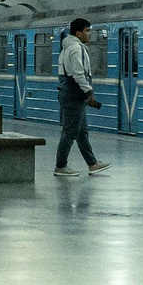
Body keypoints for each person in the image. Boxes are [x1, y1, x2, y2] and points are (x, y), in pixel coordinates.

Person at [55, 16, 108, 177]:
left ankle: (92, 163)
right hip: (74, 94)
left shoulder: (69, 47)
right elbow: (79, 74)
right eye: (87, 31)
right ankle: (60, 165)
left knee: (81, 131)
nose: (89, 34)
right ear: (78, 33)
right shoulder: (76, 49)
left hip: (71, 92)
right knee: (70, 132)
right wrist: (89, 92)